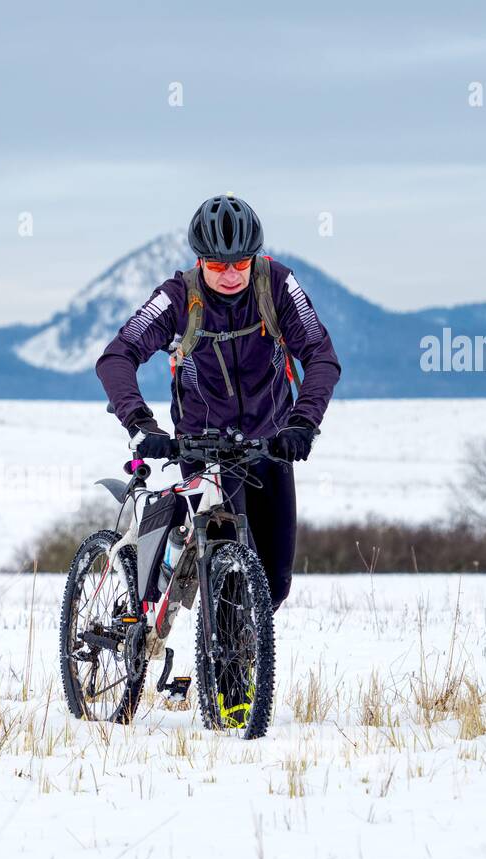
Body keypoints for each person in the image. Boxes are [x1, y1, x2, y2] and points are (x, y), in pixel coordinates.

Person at [95, 194, 341, 608]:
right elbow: (117, 356)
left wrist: (303, 422)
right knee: (225, 577)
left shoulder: (276, 285)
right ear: (200, 260)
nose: (230, 275)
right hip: (203, 448)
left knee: (274, 585)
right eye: (217, 265)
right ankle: (216, 664)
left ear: (254, 258)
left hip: (268, 445)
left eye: (241, 263)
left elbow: (320, 354)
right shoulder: (177, 297)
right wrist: (141, 423)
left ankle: (245, 664)